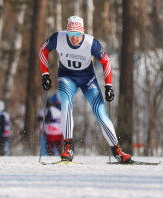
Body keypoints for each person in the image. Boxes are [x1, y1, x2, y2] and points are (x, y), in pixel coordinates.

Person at [39, 16, 132, 163]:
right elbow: (43, 50)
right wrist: (45, 75)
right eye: (71, 34)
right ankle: (69, 148)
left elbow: (106, 61)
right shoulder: (58, 38)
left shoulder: (91, 43)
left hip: (87, 79)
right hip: (66, 77)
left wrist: (108, 86)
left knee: (101, 113)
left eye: (77, 34)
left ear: (82, 32)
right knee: (66, 104)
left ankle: (117, 151)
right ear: (67, 32)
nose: (74, 37)